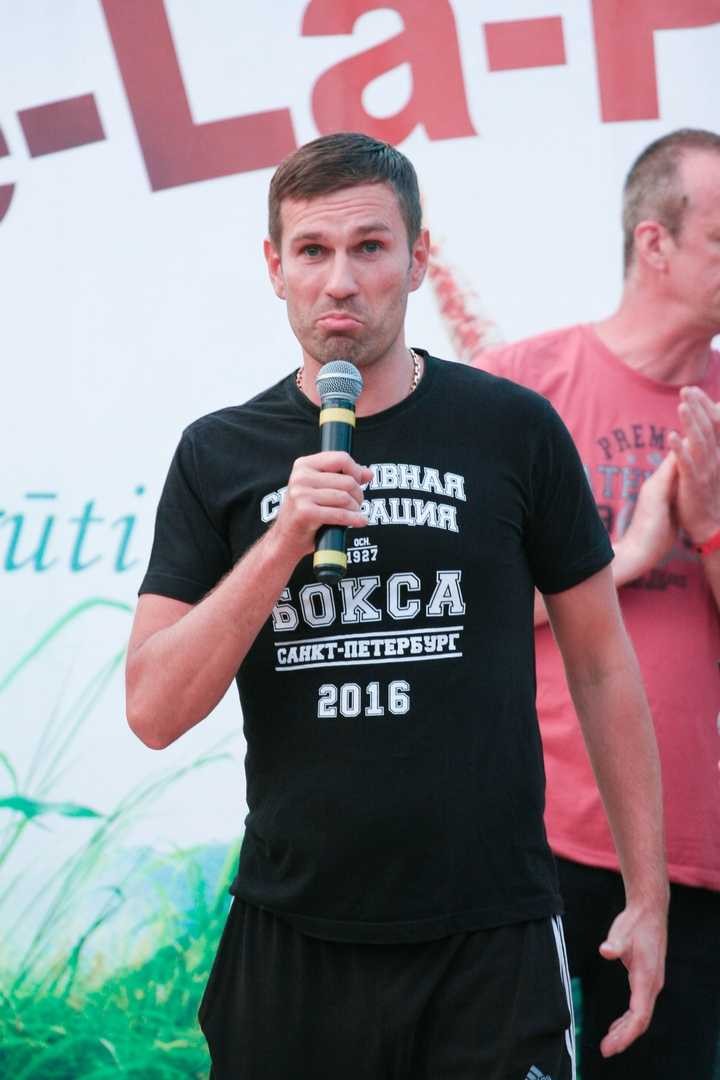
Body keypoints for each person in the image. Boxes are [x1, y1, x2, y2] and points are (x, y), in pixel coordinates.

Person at [126, 132, 667, 1080]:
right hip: (294, 939)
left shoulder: (512, 429)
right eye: (313, 250)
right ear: (276, 268)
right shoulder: (217, 453)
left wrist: (647, 893)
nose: (341, 281)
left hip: (489, 936)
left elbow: (599, 663)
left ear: (417, 260)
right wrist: (282, 542)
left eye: (370, 247)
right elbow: (153, 710)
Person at [479, 128, 720, 1078]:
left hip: (690, 859)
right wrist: (624, 559)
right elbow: (459, 612)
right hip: (526, 839)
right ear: (655, 241)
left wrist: (709, 531)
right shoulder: (519, 386)